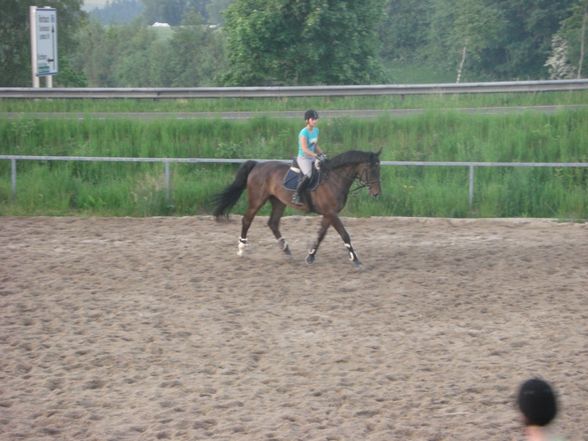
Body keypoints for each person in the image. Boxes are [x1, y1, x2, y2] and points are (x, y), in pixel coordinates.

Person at [292, 109, 326, 205]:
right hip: (303, 158)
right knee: (309, 175)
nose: (315, 121)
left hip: (312, 156)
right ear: (307, 120)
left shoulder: (316, 130)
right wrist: (316, 155)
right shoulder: (303, 133)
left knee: (323, 169)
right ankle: (296, 195)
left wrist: (322, 153)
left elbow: (315, 145)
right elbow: (304, 149)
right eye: (313, 119)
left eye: (316, 119)